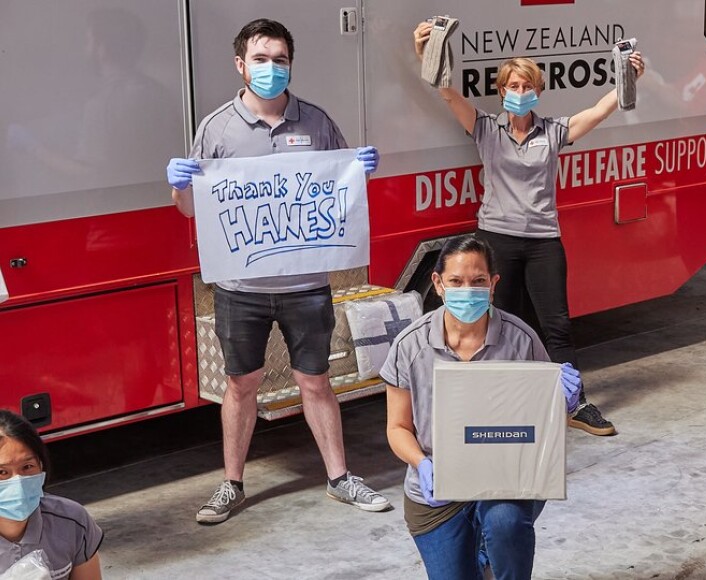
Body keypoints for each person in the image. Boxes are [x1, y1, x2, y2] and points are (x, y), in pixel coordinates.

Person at [166, 18, 389, 524]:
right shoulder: (216, 128)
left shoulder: (317, 122)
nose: (271, 69)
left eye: (280, 60)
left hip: (306, 285)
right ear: (240, 65)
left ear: (291, 64)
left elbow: (339, 191)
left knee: (316, 381)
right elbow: (187, 209)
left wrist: (360, 172)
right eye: (261, 59)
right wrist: (179, 185)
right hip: (240, 287)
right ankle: (231, 484)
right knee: (241, 384)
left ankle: (339, 478)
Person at [412, 22, 644, 437]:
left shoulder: (553, 131)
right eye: (512, 85)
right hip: (497, 240)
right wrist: (426, 52)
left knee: (556, 324)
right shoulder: (485, 128)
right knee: (505, 322)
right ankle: (509, 401)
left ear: (538, 89)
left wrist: (628, 76)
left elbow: (599, 111)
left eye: (527, 85)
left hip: (542, 241)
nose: (520, 92)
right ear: (501, 91)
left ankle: (574, 402)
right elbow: (446, 91)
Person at [381, 235, 582, 579]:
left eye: (478, 281)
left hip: (505, 479)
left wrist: (563, 402)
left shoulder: (521, 339)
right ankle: (480, 556)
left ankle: (491, 549)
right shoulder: (410, 345)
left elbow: (543, 428)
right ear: (438, 284)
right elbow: (398, 427)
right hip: (438, 492)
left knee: (505, 523)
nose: (467, 290)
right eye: (456, 281)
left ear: (493, 285)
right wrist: (422, 464)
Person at [0, 410, 103, 579]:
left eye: (27, 467)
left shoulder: (72, 522)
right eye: (2, 472)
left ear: (41, 465)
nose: (18, 483)